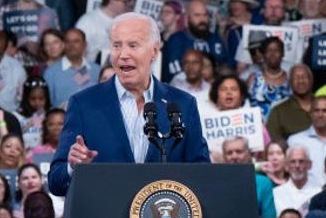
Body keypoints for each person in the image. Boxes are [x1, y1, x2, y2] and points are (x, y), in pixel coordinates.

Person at [48, 13, 210, 196]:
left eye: (133, 45)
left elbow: (202, 175)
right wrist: (72, 167)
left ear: (154, 51)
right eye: (117, 45)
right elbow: (55, 182)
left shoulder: (182, 105)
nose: (123, 55)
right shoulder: (83, 105)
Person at [287, 96, 326, 184]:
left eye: (325, 111)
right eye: (316, 110)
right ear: (310, 114)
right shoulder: (295, 141)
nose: (320, 115)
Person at [265, 65, 315, 142]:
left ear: (311, 80)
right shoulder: (278, 111)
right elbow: (273, 142)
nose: (300, 81)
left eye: (304, 77)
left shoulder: (324, 106)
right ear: (290, 83)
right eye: (296, 78)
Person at [272, 146, 321, 217]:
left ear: (309, 165)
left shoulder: (319, 192)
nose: (297, 166)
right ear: (286, 166)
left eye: (301, 161)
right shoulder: (275, 194)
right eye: (293, 162)